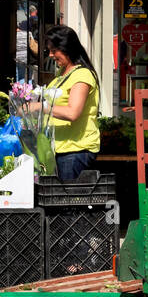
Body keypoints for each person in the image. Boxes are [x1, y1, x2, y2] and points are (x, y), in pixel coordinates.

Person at [41, 26, 101, 181]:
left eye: (54, 50)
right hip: (59, 149)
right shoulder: (62, 75)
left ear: (67, 48)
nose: (51, 55)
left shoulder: (82, 75)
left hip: (75, 150)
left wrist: (41, 107)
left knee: (68, 202)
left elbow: (72, 112)